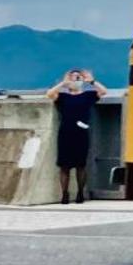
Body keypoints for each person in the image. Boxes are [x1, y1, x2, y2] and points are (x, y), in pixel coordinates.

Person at [45, 69, 107, 204]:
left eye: (78, 77)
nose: (75, 79)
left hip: (81, 133)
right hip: (65, 133)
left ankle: (80, 193)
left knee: (81, 165)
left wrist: (92, 81)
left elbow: (103, 91)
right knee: (64, 166)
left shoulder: (88, 95)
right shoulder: (63, 97)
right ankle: (64, 194)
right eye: (72, 77)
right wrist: (63, 83)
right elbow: (49, 94)